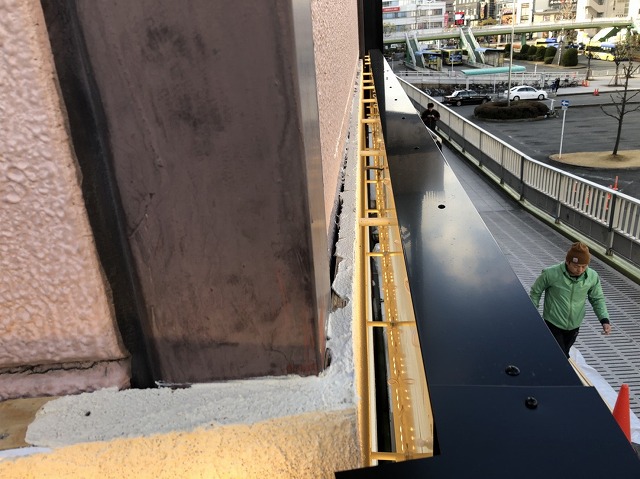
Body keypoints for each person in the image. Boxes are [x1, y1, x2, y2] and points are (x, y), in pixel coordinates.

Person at [529, 242, 611, 358]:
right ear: (567, 262)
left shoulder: (592, 277)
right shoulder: (551, 273)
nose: (580, 270)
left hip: (574, 325)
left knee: (563, 353)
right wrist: (532, 313)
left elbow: (597, 299)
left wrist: (604, 320)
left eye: (584, 266)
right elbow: (535, 292)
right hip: (553, 322)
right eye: (576, 266)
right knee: (560, 356)